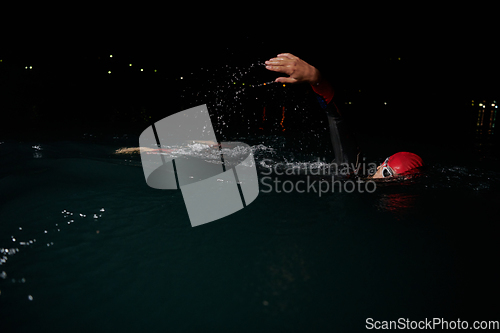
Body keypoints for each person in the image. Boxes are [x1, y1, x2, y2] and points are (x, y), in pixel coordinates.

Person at [265, 53, 423, 179]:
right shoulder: (350, 171)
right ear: (382, 164)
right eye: (387, 172)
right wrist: (316, 79)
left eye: (389, 175)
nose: (386, 178)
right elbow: (337, 118)